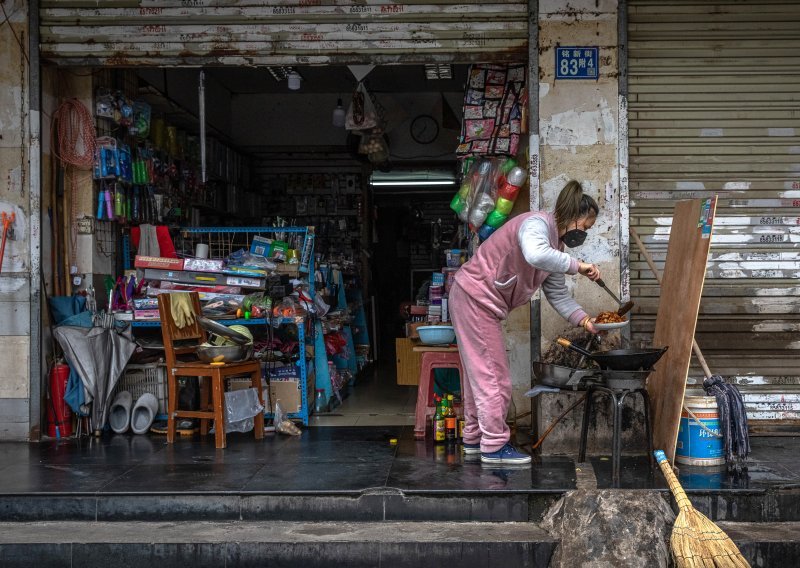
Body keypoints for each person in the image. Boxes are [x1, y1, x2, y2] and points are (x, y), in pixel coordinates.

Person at [449, 180, 602, 465]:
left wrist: (585, 321)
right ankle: (494, 447)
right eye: (585, 226)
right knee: (493, 377)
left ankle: (474, 438)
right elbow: (535, 254)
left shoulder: (555, 247)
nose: (584, 234)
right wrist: (579, 266)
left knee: (477, 377)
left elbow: (557, 294)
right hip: (475, 297)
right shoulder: (537, 225)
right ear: (570, 216)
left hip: (472, 297)